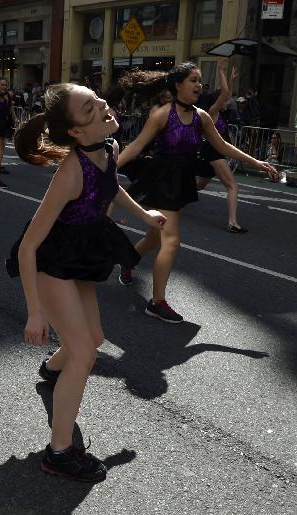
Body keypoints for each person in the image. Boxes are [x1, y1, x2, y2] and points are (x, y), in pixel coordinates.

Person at [8, 83, 166, 481]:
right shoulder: (70, 172)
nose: (103, 107)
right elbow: (28, 248)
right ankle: (59, 452)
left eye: (99, 100)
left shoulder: (109, 148)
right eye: (90, 107)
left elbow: (112, 188)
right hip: (52, 261)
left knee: (92, 338)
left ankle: (50, 370)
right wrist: (35, 313)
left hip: (83, 250)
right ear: (76, 132)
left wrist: (145, 215)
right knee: (84, 354)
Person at [115, 63, 278, 322]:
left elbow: (222, 145)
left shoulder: (201, 116)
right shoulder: (162, 115)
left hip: (182, 180)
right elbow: (135, 147)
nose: (199, 85)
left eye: (200, 80)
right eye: (193, 80)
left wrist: (256, 162)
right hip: (162, 179)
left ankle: (127, 260)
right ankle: (157, 302)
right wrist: (106, 169)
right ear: (178, 84)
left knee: (156, 238)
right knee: (171, 240)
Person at [195, 60, 246, 233]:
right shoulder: (212, 112)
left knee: (200, 185)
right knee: (232, 185)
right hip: (213, 153)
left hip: (212, 153)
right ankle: (233, 222)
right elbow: (225, 93)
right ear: (218, 100)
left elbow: (227, 92)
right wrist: (220, 71)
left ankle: (177, 194)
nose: (228, 101)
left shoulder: (220, 113)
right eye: (225, 100)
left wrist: (230, 79)